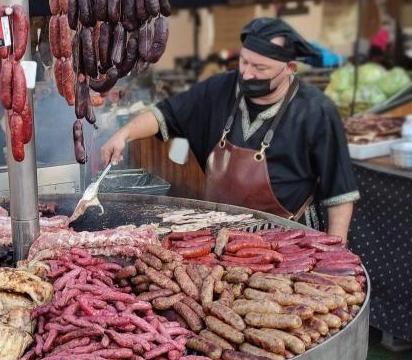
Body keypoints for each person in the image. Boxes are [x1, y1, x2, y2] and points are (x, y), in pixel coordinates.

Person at [101, 18, 358, 240]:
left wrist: (336, 253)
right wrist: (124, 134)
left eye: (260, 68)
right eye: (244, 62)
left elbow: (340, 194)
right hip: (222, 234)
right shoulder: (219, 89)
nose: (246, 75)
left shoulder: (317, 111)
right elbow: (165, 114)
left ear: (290, 69)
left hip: (291, 238)